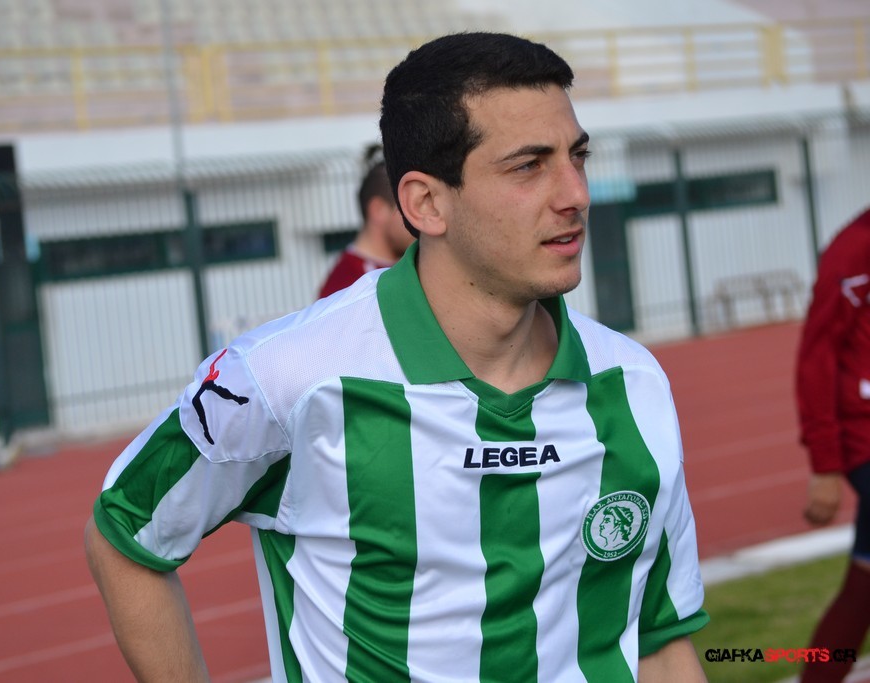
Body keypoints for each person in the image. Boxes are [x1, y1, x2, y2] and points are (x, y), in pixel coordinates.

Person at [85, 32, 709, 682]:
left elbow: (660, 643)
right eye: (529, 165)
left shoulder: (634, 383)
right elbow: (124, 535)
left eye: (577, 156)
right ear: (426, 203)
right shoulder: (285, 377)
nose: (575, 193)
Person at [795, 206, 870, 683]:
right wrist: (825, 464)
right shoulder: (853, 250)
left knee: (863, 587)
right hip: (866, 437)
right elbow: (816, 356)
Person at [317, 143, 415, 298]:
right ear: (378, 210)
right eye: (409, 207)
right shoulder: (347, 287)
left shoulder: (404, 266)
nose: (418, 219)